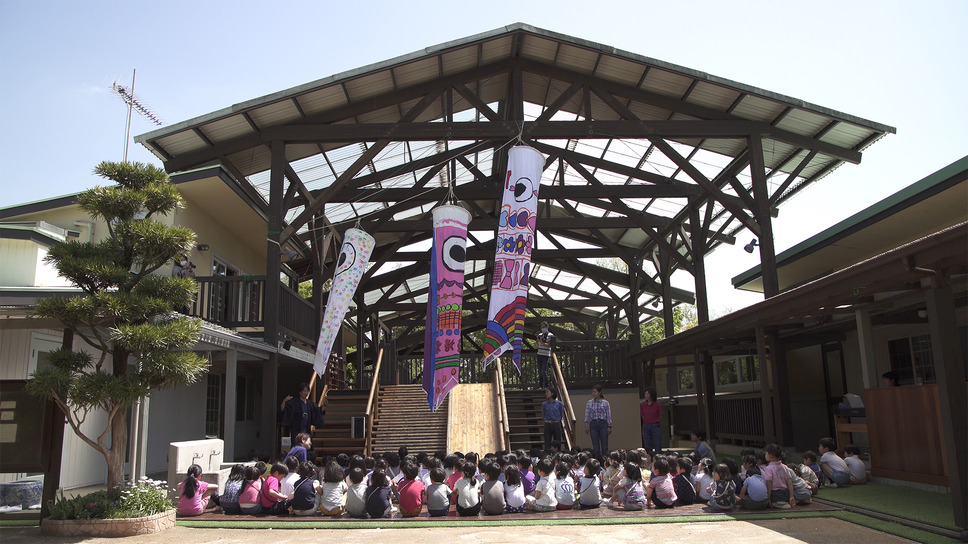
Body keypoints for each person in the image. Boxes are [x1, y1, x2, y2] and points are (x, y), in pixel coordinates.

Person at [280, 383, 325, 448]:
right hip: (296, 429)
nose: (306, 393)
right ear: (300, 392)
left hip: (306, 429)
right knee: (296, 446)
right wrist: (284, 401)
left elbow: (318, 411)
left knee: (308, 446)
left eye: (307, 391)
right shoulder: (294, 403)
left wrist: (325, 405)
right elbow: (283, 410)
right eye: (304, 391)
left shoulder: (310, 403)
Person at [584, 384, 612, 459]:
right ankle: (597, 461)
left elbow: (608, 415)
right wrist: (586, 425)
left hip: (603, 423)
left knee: (604, 445)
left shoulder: (605, 403)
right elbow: (587, 415)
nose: (593, 393)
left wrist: (609, 426)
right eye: (592, 392)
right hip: (593, 424)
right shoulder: (589, 403)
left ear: (599, 393)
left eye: (595, 392)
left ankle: (605, 460)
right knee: (595, 446)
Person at [763, 443, 794, 509]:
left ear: (771, 455)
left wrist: (768, 497)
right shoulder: (785, 467)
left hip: (775, 493)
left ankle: (779, 503)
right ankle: (784, 502)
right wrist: (791, 496)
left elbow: (769, 483)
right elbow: (789, 481)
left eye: (766, 454)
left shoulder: (769, 468)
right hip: (785, 493)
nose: (765, 455)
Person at [640, 387, 663, 457]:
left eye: (647, 394)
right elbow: (642, 415)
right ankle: (649, 458)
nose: (646, 396)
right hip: (646, 425)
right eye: (645, 394)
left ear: (651, 395)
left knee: (657, 443)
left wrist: (655, 421)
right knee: (647, 444)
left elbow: (660, 415)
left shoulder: (657, 404)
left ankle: (658, 458)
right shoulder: (642, 404)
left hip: (655, 425)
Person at [542, 388, 564, 452]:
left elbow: (561, 413)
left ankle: (558, 454)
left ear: (552, 393)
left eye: (547, 392)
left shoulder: (559, 404)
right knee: (547, 441)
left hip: (556, 423)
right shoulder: (544, 404)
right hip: (548, 423)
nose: (546, 394)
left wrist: (557, 419)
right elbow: (544, 413)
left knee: (557, 441)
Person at [535, 321, 555, 389]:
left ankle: (546, 386)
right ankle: (541, 385)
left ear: (547, 327)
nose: (542, 328)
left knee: (544, 370)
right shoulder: (540, 335)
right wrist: (538, 341)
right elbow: (537, 343)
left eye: (544, 327)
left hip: (546, 355)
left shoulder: (551, 335)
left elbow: (549, 345)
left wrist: (542, 343)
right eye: (541, 327)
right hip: (539, 354)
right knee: (540, 371)